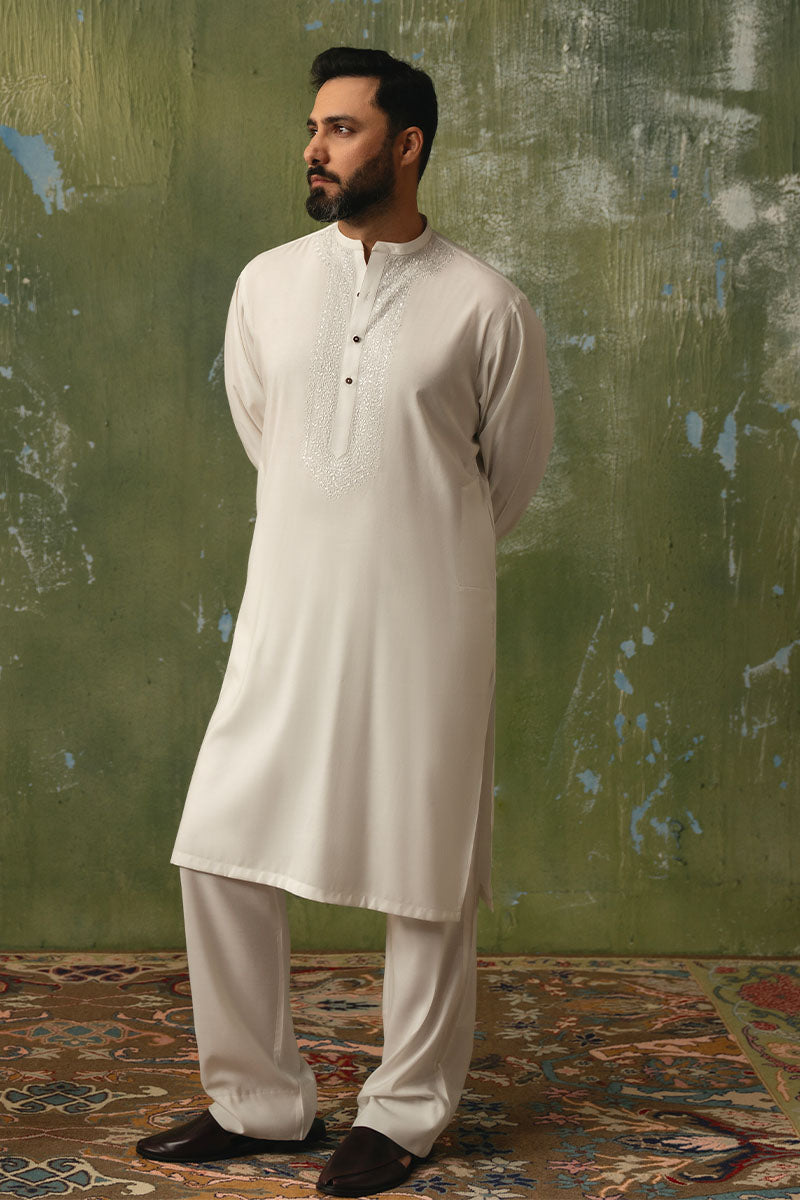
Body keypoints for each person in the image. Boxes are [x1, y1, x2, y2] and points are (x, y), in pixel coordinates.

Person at [136, 46, 553, 1198]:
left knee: (427, 866)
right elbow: (267, 433)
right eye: (313, 128)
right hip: (289, 605)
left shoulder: (485, 305)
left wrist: (410, 543)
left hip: (429, 618)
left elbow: (505, 478)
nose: (314, 148)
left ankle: (404, 1112)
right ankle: (258, 1101)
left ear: (405, 146)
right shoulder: (267, 285)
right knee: (221, 843)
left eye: (341, 129)